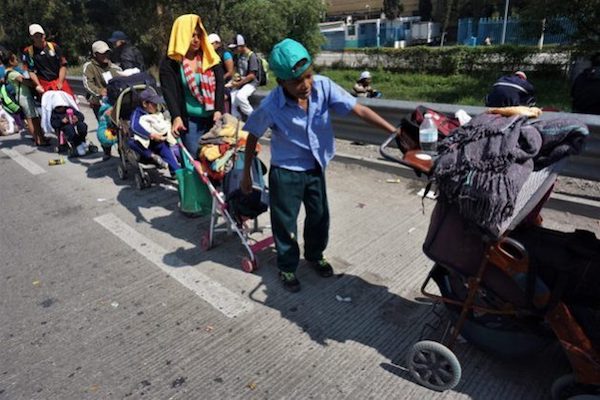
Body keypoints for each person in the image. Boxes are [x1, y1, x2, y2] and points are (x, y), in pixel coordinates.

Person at [240, 38, 399, 292]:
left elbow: (358, 110)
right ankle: (287, 267)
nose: (305, 85)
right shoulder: (271, 105)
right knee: (285, 223)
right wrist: (247, 174)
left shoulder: (323, 87)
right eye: (296, 82)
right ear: (281, 83)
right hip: (286, 172)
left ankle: (314, 255)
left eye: (308, 76)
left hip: (315, 167)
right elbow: (252, 136)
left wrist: (394, 132)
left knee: (319, 216)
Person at [159, 14, 225, 160]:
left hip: (213, 119)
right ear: (181, 36)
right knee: (196, 162)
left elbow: (220, 85)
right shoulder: (170, 63)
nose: (196, 40)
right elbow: (169, 92)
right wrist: (176, 117)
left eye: (199, 35)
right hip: (190, 122)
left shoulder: (210, 57)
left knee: (217, 161)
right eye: (191, 35)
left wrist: (218, 109)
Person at [82, 40, 122, 160]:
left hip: (115, 104)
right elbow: (87, 84)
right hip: (98, 104)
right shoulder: (89, 67)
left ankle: (122, 150)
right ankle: (107, 151)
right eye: (102, 53)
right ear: (95, 54)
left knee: (120, 126)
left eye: (107, 52)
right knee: (104, 127)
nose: (105, 55)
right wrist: (100, 92)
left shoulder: (115, 68)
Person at [129, 88, 180, 178]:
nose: (156, 106)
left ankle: (175, 171)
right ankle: (152, 156)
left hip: (160, 142)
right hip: (145, 145)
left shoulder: (157, 112)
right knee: (132, 142)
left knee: (165, 148)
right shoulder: (137, 113)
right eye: (154, 104)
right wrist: (150, 135)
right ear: (145, 104)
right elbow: (134, 126)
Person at [2, 50, 47, 145]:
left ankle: (41, 138)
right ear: (10, 61)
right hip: (24, 97)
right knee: (31, 119)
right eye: (15, 58)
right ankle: (38, 140)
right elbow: (27, 82)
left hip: (24, 97)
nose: (17, 60)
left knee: (33, 118)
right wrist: (34, 77)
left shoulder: (8, 72)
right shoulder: (12, 73)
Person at [22, 24, 75, 97]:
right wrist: (38, 85)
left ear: (44, 35)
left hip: (58, 80)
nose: (40, 38)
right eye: (36, 36)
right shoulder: (28, 51)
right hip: (44, 83)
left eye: (41, 35)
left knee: (69, 101)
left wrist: (60, 82)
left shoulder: (53, 46)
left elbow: (63, 65)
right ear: (32, 37)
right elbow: (31, 71)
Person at [228, 34, 259, 121]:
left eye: (235, 48)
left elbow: (252, 75)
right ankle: (237, 120)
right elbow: (238, 72)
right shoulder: (239, 56)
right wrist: (233, 81)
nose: (233, 50)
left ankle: (254, 118)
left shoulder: (252, 56)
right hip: (241, 82)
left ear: (242, 45)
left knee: (240, 96)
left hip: (251, 83)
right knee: (232, 99)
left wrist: (238, 84)